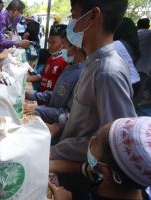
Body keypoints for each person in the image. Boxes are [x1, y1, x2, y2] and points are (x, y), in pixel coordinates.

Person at [49, 0, 137, 198]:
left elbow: (115, 149)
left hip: (82, 180)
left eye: (73, 15)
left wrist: (56, 156)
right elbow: (83, 114)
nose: (71, 22)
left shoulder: (108, 72)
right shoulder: (92, 62)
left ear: (93, 16)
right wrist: (59, 124)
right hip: (66, 166)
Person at [50, 117, 151, 200]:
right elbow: (82, 168)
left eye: (96, 141)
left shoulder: (103, 175)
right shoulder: (105, 175)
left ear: (106, 170)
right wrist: (52, 165)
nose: (92, 139)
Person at [25, 30, 86, 131]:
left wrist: (39, 110)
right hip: (49, 114)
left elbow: (68, 112)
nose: (63, 51)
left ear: (76, 48)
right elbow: (55, 93)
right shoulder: (70, 67)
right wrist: (32, 95)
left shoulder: (81, 74)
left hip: (57, 127)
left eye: (65, 46)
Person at [28, 24, 68, 95]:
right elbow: (41, 76)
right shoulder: (50, 58)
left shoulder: (65, 62)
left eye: (53, 43)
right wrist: (26, 79)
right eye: (48, 42)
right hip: (40, 97)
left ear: (64, 43)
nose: (49, 46)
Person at [135, 18, 151, 106]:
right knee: (140, 90)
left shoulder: (134, 34)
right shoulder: (149, 34)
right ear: (148, 26)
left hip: (133, 66)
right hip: (144, 67)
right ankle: (135, 107)